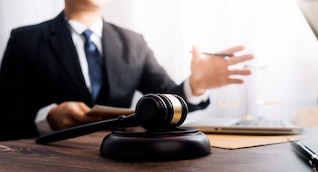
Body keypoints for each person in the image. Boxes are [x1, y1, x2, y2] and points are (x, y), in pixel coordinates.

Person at [0, 0, 254, 141]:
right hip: (50, 158)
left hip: (123, 155)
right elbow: (6, 117)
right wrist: (49, 118)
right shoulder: (25, 39)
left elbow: (165, 97)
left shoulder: (134, 42)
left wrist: (195, 85)